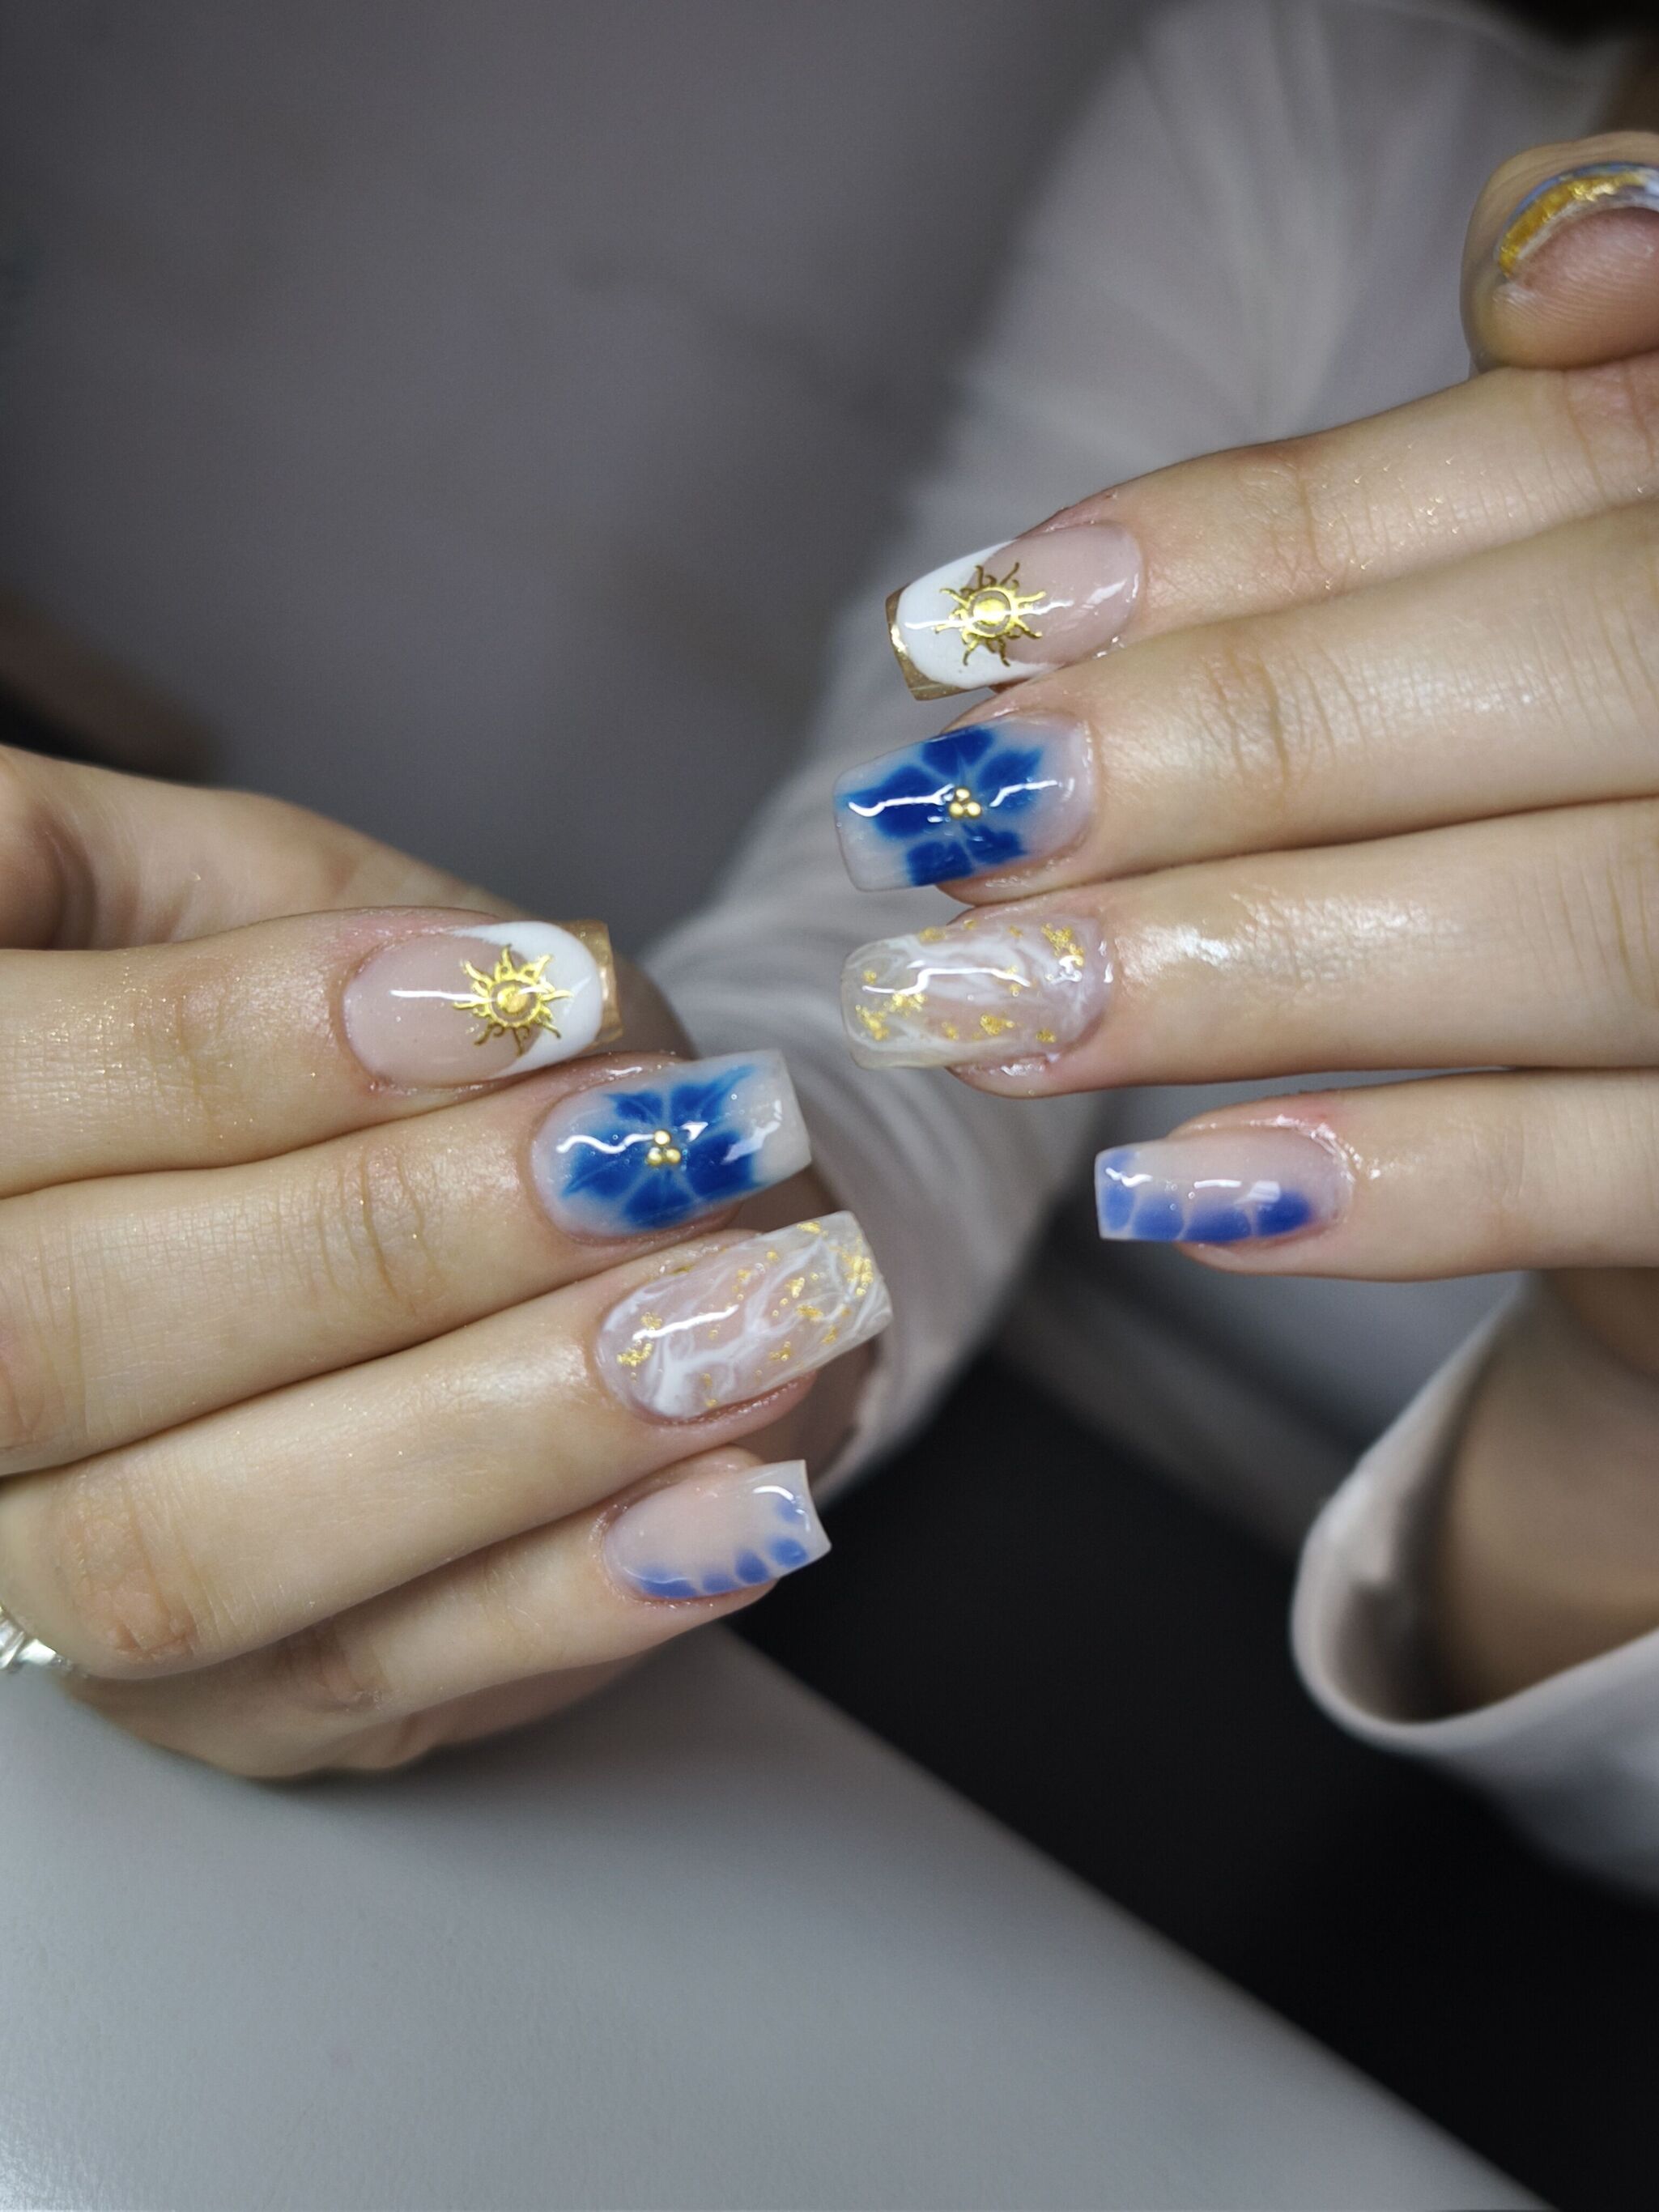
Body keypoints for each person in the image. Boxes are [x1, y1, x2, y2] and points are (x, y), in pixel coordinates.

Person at [1, 0, 1657, 1902]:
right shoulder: (1315, 112)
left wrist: (1626, 1385)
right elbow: (889, 943)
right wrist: (711, 1238)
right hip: (897, 1672)